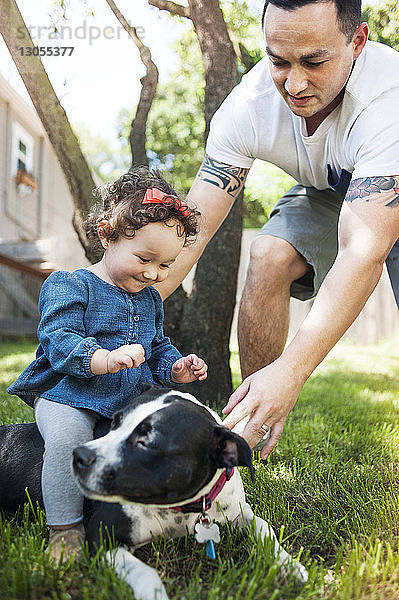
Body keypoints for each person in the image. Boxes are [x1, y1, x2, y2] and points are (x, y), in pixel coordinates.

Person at [154, 1, 399, 458]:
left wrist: (291, 371)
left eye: (314, 61)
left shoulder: (389, 99)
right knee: (267, 254)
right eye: (279, 61)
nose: (295, 82)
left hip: (387, 190)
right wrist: (106, 308)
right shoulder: (248, 107)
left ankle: (275, 389)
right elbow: (191, 233)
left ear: (358, 42)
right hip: (331, 190)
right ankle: (252, 431)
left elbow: (364, 251)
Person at [7, 166, 208, 562]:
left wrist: (175, 368)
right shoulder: (70, 284)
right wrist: (102, 358)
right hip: (69, 397)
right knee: (67, 443)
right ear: (106, 235)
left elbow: (157, 346)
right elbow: (56, 339)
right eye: (145, 258)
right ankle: (64, 529)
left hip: (122, 404)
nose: (154, 273)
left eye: (165, 265)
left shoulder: (150, 299)